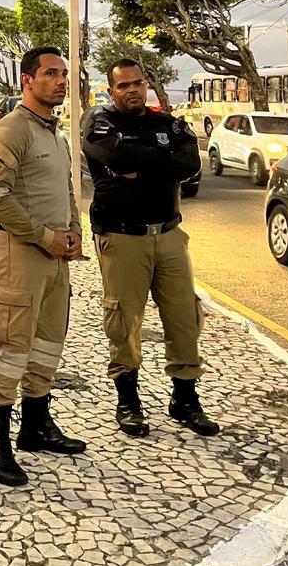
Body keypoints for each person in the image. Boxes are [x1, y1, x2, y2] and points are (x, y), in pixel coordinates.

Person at [81, 58, 219, 440]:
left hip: (170, 233)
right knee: (123, 321)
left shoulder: (167, 124)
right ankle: (128, 403)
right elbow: (115, 156)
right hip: (122, 236)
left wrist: (139, 164)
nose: (132, 90)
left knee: (184, 316)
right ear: (112, 90)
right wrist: (160, 159)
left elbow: (190, 162)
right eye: (123, 85)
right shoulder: (99, 123)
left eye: (137, 83)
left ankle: (185, 400)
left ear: (146, 85)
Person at [0, 47, 87, 487]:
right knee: (12, 349)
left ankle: (36, 427)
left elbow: (66, 190)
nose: (61, 81)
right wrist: (45, 237)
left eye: (64, 74)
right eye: (51, 74)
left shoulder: (55, 134)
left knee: (47, 346)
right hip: (22, 255)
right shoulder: (11, 130)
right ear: (27, 80)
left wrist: (74, 232)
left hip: (57, 259)